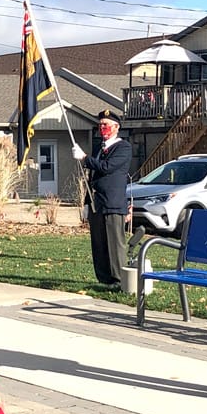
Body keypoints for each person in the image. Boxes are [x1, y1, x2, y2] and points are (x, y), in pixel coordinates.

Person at [73, 109, 132, 291]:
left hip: (113, 203)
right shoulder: (99, 148)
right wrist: (85, 204)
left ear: (116, 127)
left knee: (115, 244)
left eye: (106, 125)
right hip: (96, 202)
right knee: (98, 243)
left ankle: (119, 280)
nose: (102, 128)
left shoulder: (123, 147)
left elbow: (107, 167)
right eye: (100, 125)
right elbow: (92, 177)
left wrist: (84, 158)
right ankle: (104, 278)